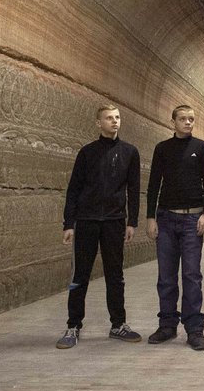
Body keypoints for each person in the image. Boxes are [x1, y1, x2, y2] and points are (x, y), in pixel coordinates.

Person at [55, 105, 142, 350]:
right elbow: (74, 189)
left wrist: (132, 221)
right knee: (80, 275)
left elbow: (134, 190)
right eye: (109, 118)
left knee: (115, 275)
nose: (114, 122)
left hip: (115, 222)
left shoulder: (129, 152)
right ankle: (73, 325)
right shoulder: (87, 153)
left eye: (117, 118)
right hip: (86, 221)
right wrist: (69, 223)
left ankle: (118, 324)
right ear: (98, 123)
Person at [145, 105, 204, 351]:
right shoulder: (162, 149)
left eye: (191, 119)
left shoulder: (201, 148)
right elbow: (154, 184)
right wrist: (150, 217)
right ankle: (167, 325)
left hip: (192, 220)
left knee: (192, 275)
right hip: (166, 219)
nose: (188, 123)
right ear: (172, 121)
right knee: (166, 276)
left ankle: (194, 329)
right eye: (183, 119)